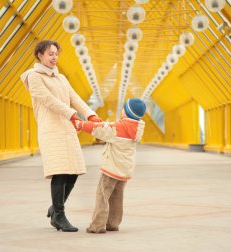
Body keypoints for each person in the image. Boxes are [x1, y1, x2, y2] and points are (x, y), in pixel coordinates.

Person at [20, 40, 102, 232]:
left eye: (56, 53)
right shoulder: (34, 77)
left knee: (73, 171)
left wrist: (90, 114)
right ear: (39, 55)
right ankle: (59, 215)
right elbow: (48, 100)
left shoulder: (61, 78)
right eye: (50, 53)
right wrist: (73, 115)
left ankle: (55, 208)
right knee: (60, 170)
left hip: (67, 127)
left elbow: (75, 98)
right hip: (51, 129)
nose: (54, 57)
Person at [73, 98, 146, 233]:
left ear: (127, 112)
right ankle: (113, 223)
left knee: (102, 195)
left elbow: (100, 130)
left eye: (124, 108)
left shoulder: (119, 129)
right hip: (124, 170)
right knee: (117, 196)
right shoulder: (136, 127)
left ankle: (97, 226)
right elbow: (110, 126)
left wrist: (81, 124)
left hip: (112, 169)